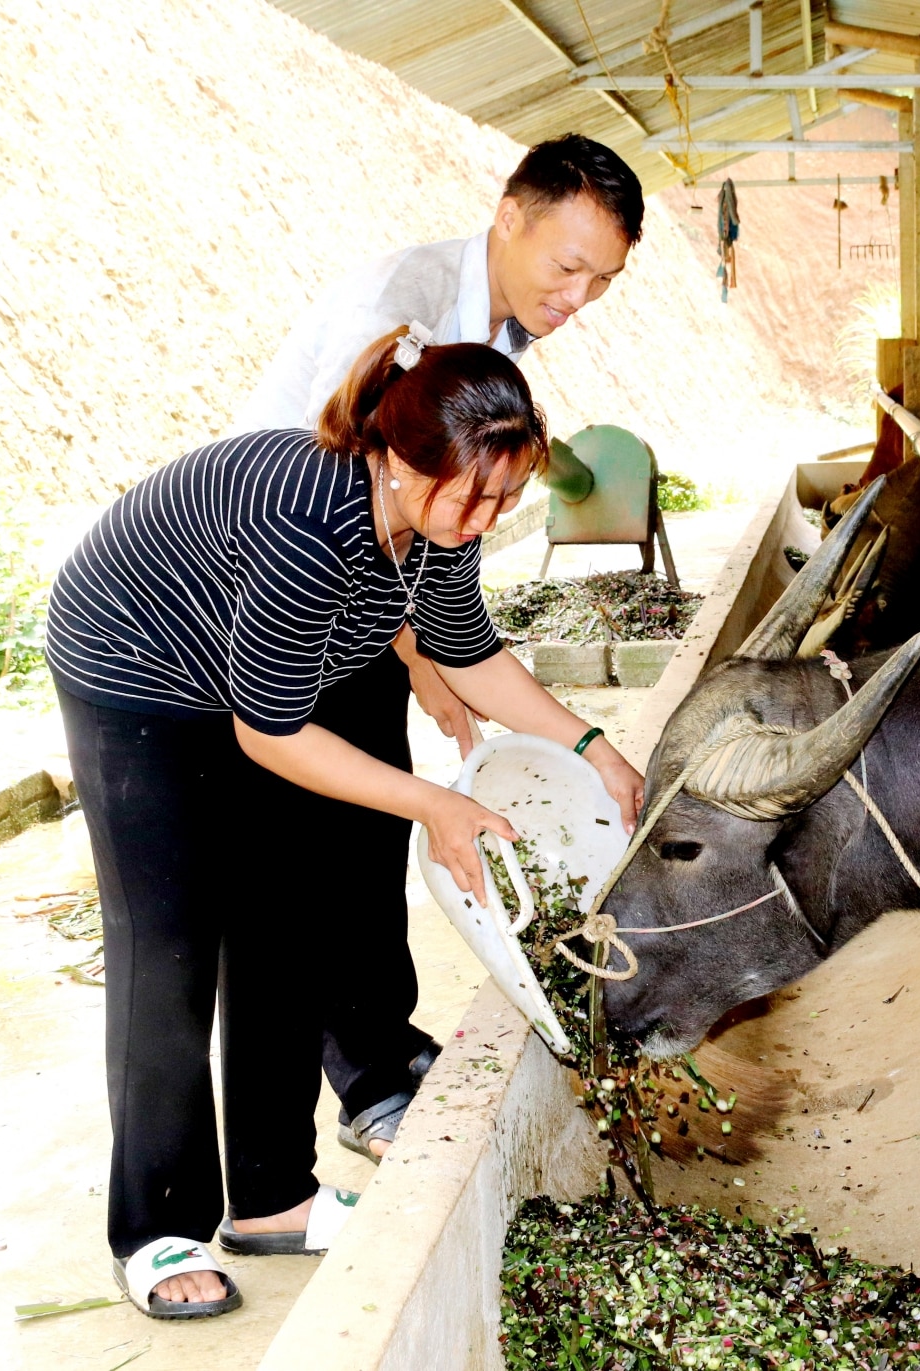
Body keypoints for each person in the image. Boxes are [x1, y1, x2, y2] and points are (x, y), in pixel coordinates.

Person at [48, 329, 644, 1319]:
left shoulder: (443, 519)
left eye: (505, 496)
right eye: (473, 494)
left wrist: (594, 748)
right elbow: (274, 734)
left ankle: (274, 1198)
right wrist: (436, 805)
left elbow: (468, 651)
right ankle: (157, 1229)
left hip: (250, 682)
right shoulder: (310, 527)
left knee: (285, 917)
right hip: (136, 675)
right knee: (172, 945)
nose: (487, 516)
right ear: (402, 461)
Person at [233, 134, 646, 1163]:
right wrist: (417, 650)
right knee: (319, 839)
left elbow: (434, 529)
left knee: (375, 832)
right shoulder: (408, 309)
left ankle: (385, 1050)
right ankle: (364, 1089)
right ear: (511, 214)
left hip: (372, 582)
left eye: (603, 280)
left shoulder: (503, 324)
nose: (578, 297)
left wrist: (433, 644)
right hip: (290, 582)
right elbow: (369, 475)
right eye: (568, 266)